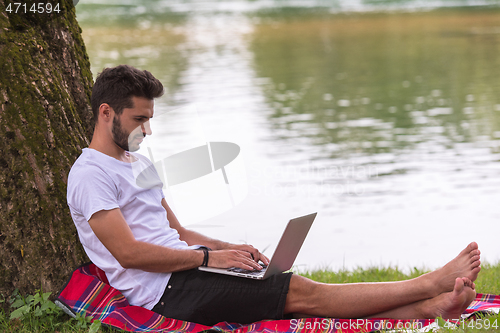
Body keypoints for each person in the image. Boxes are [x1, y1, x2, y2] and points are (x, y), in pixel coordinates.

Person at [67, 65, 481, 326]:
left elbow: (175, 230)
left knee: (290, 291)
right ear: (107, 113)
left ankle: (429, 310)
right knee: (303, 293)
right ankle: (429, 284)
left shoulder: (137, 163)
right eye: (140, 119)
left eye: (150, 120)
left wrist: (231, 249)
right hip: (165, 291)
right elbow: (131, 255)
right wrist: (210, 259)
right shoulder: (90, 175)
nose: (148, 131)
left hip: (190, 268)